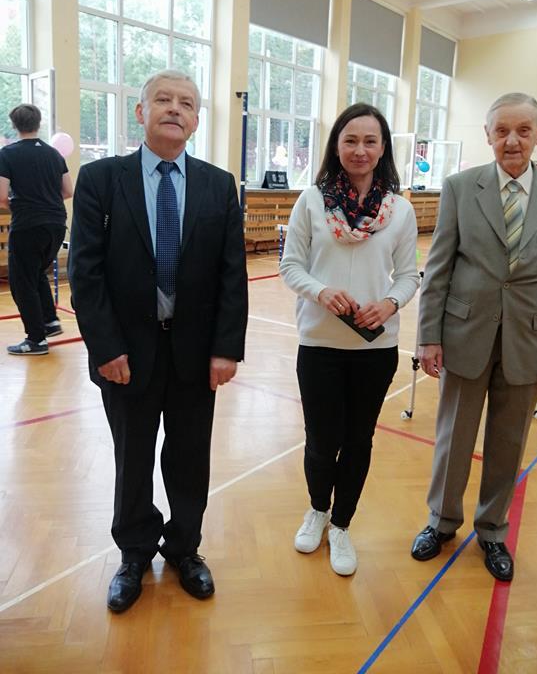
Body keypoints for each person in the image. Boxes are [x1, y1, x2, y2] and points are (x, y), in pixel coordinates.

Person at [68, 70, 248, 612]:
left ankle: (185, 548)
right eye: (162, 100)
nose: (175, 109)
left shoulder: (219, 185)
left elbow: (231, 273)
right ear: (140, 113)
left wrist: (226, 348)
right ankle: (134, 552)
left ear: (197, 120)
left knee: (190, 457)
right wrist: (106, 348)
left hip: (195, 353)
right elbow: (85, 272)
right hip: (126, 353)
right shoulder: (102, 179)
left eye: (186, 103)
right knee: (133, 456)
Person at [411, 92, 537, 581]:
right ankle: (441, 521)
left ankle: (492, 530)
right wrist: (428, 336)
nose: (512, 140)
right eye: (502, 131)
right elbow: (438, 268)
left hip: (530, 341)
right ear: (487, 135)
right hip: (464, 335)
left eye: (523, 131)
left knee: (509, 443)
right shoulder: (460, 188)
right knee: (453, 438)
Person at [280, 103, 419, 576]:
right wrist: (320, 291)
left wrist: (390, 303)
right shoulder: (312, 201)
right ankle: (318, 509)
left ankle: (341, 524)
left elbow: (408, 275)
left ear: (383, 149)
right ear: (336, 146)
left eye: (370, 141)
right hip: (319, 344)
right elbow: (290, 266)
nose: (360, 150)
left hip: (375, 349)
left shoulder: (399, 210)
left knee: (359, 441)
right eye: (350, 140)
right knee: (321, 441)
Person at [0, 104, 73, 355]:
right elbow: (68, 191)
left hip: (28, 225)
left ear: (14, 125)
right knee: (37, 273)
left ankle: (36, 340)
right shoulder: (54, 154)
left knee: (22, 283)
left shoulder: (7, 154)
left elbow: (1, 196)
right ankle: (50, 321)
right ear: (38, 123)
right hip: (56, 224)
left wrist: (23, 205)